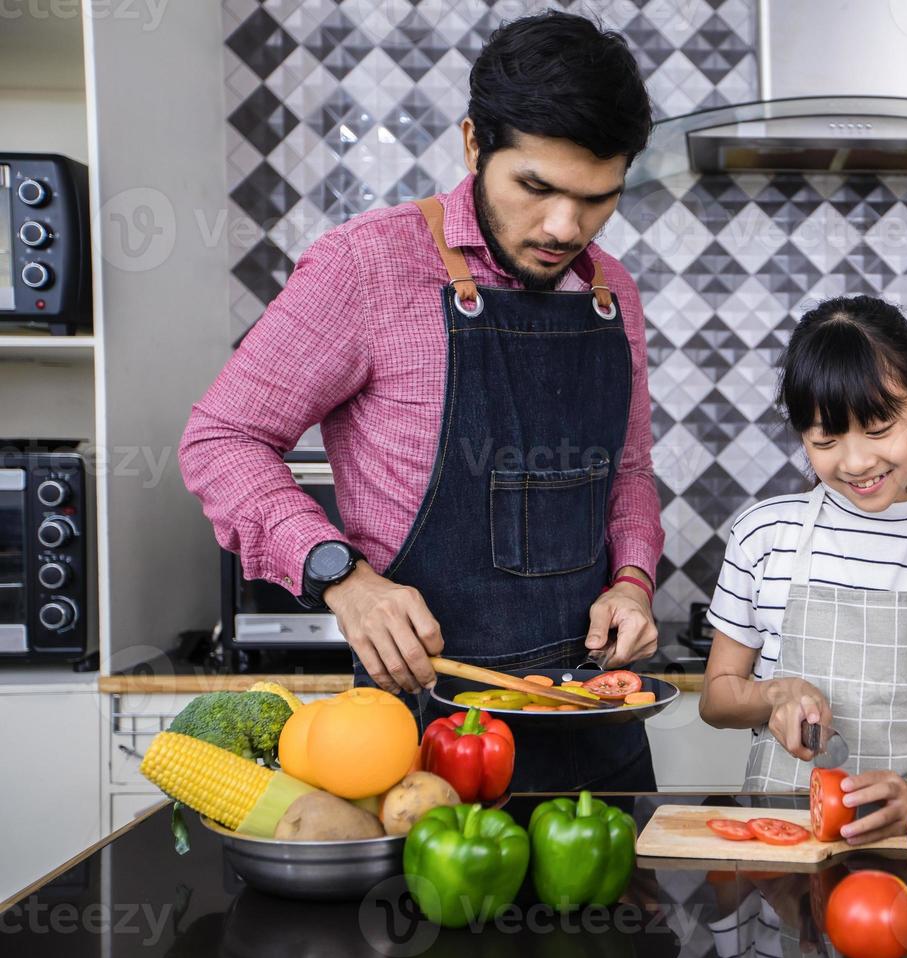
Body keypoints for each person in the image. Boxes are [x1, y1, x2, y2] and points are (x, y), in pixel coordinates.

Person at [179, 12, 664, 791]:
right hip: (421, 744)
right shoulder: (367, 266)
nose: (565, 227)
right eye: (535, 187)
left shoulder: (613, 294)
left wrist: (633, 583)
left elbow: (630, 471)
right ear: (474, 145)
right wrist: (340, 577)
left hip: (590, 729)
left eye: (597, 198)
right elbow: (221, 437)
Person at [699, 296, 907, 844]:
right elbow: (717, 699)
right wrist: (775, 695)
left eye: (879, 429)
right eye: (824, 440)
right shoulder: (764, 535)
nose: (855, 463)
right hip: (779, 838)